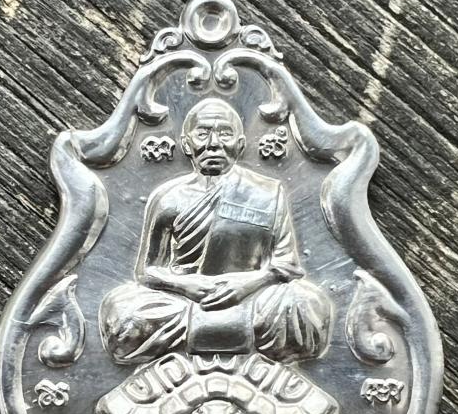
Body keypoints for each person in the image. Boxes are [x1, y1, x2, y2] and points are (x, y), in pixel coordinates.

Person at [100, 98, 331, 364]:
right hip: (184, 300)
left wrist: (245, 285)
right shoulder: (168, 197)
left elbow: (286, 265)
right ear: (187, 145)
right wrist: (186, 286)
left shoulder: (268, 192)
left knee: (305, 305)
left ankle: (213, 333)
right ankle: (226, 333)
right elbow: (147, 271)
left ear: (240, 144)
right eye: (202, 134)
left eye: (224, 134)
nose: (213, 143)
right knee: (124, 314)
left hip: (253, 299)